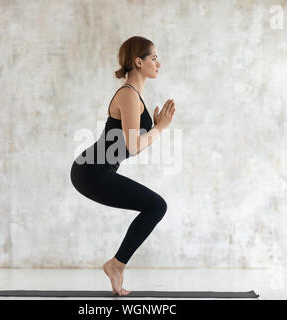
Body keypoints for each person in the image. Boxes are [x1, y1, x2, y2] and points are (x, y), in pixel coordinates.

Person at [70, 36, 176, 296]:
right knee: (156, 206)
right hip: (91, 171)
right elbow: (134, 145)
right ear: (138, 62)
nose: (158, 63)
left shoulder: (135, 95)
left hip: (96, 170)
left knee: (155, 206)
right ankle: (116, 265)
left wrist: (156, 128)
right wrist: (160, 128)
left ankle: (116, 265)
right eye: (154, 58)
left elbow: (132, 144)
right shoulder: (128, 94)